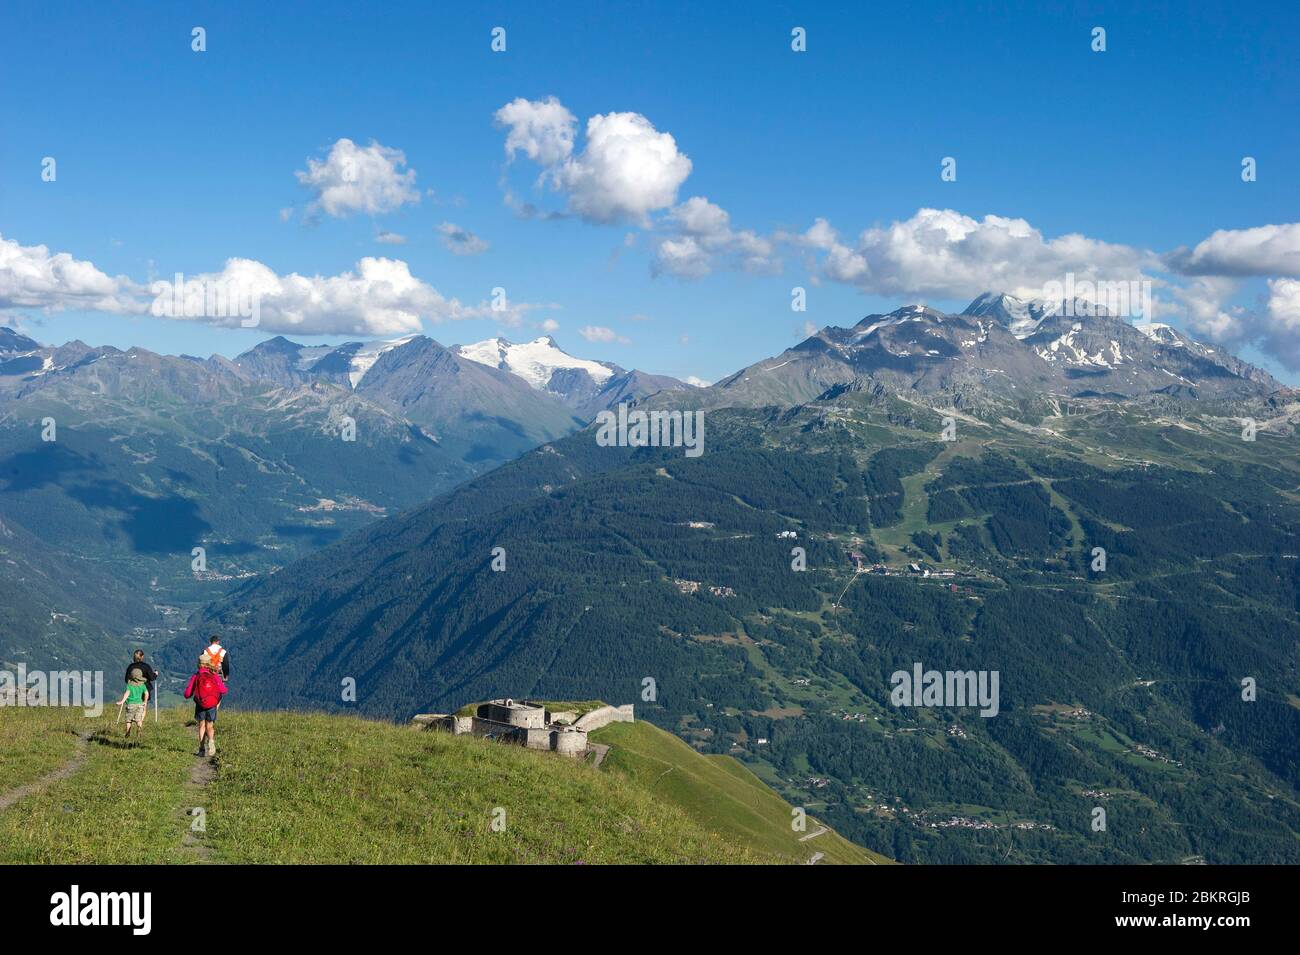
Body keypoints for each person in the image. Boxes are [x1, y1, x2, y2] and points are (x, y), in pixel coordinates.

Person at [184, 654, 227, 757]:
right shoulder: (214, 675)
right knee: (210, 726)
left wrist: (189, 694)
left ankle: (202, 749)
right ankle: (211, 741)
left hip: (200, 704)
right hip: (212, 704)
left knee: (201, 725)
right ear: (209, 663)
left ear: (199, 664)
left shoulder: (196, 676)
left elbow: (187, 694)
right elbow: (223, 690)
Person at [113, 672, 149, 744]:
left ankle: (128, 732)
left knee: (128, 720)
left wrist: (122, 701)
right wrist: (145, 701)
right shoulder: (142, 685)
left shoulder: (130, 685)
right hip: (140, 704)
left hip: (131, 705)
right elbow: (146, 693)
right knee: (139, 720)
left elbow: (127, 693)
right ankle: (139, 729)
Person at [124, 650, 158, 717]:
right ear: (142, 657)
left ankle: (131, 720)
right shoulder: (146, 666)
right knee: (143, 705)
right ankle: (140, 722)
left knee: (132, 704)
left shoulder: (130, 667)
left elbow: (126, 679)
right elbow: (152, 678)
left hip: (133, 689)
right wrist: (155, 674)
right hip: (144, 688)